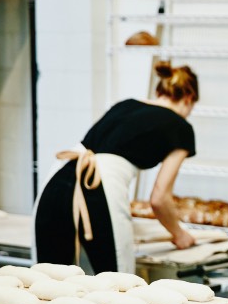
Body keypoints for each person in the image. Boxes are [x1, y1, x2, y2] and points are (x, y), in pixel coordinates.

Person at [33, 61, 199, 274]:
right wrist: (179, 234)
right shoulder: (181, 127)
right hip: (98, 186)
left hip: (57, 179)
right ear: (188, 99)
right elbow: (159, 198)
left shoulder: (126, 105)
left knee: (48, 283)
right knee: (117, 288)